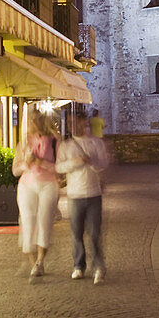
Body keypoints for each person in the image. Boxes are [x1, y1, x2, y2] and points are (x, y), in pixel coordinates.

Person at [56, 111, 110, 284]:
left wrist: (91, 162)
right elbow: (59, 167)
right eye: (72, 123)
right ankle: (79, 266)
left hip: (93, 193)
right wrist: (75, 162)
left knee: (95, 233)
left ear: (84, 123)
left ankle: (98, 266)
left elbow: (103, 164)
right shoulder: (66, 146)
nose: (75, 126)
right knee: (76, 233)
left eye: (77, 123)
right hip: (74, 194)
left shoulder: (96, 143)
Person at [13, 110, 59, 283]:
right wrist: (26, 163)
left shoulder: (54, 140)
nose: (33, 123)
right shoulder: (24, 142)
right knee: (28, 222)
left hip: (48, 184)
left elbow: (59, 167)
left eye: (36, 120)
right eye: (31, 121)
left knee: (44, 221)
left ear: (42, 121)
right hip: (27, 186)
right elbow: (15, 170)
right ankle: (34, 264)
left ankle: (40, 261)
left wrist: (42, 163)